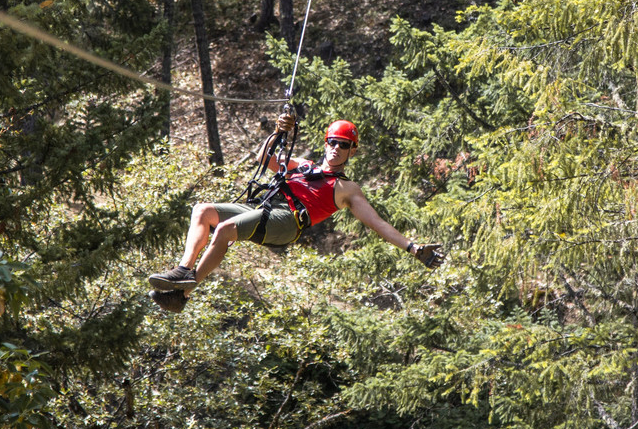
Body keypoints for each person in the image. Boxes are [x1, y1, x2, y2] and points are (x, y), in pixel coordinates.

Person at [147, 112, 445, 312]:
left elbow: (377, 223)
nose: (336, 148)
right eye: (332, 142)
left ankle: (184, 293)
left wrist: (413, 248)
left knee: (225, 231)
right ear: (326, 143)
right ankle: (184, 272)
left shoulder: (347, 189)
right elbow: (265, 157)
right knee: (203, 210)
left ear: (352, 151)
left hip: (288, 221)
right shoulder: (304, 166)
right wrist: (279, 131)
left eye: (344, 145)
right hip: (267, 207)